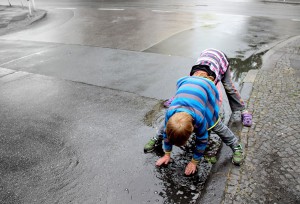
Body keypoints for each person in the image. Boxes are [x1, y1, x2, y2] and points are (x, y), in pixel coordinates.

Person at [153, 75, 244, 176]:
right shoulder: (170, 112)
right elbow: (167, 135)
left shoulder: (200, 119)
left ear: (192, 129)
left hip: (208, 87)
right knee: (165, 127)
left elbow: (202, 141)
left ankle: (236, 146)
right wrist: (167, 154)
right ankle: (156, 137)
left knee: (216, 125)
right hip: (187, 83)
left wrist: (194, 162)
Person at [164, 48, 252, 127]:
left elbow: (218, 99)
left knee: (229, 87)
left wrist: (211, 115)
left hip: (220, 60)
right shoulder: (191, 78)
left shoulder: (211, 83)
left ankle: (243, 110)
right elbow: (185, 89)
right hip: (205, 58)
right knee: (187, 88)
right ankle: (175, 98)